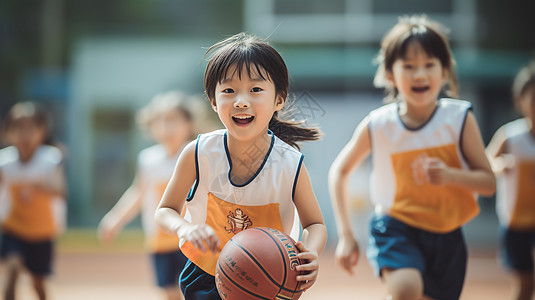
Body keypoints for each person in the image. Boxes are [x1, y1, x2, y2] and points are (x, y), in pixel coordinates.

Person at [328, 15, 496, 300]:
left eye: (429, 65)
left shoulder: (459, 119)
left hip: (447, 233)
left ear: (444, 72)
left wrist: (450, 175)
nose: (420, 75)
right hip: (395, 225)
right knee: (406, 289)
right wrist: (346, 235)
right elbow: (340, 172)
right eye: (409, 66)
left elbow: (488, 183)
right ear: (391, 74)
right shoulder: (378, 124)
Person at [154, 32, 327, 299]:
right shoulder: (198, 153)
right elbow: (165, 210)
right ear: (213, 100)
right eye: (228, 91)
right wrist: (185, 228)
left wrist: (311, 251)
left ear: (279, 99)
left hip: (271, 276)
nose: (241, 100)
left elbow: (315, 223)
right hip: (206, 274)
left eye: (256, 89)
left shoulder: (290, 164)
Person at [98, 91, 200, 300]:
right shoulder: (148, 160)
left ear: (188, 123)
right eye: (159, 121)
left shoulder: (195, 155)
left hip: (190, 239)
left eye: (173, 120)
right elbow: (137, 193)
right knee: (169, 292)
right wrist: (114, 219)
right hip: (159, 239)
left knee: (191, 291)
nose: (166, 127)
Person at [0, 101, 66, 300]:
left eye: (31, 128)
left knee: (37, 282)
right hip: (14, 227)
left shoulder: (50, 159)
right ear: (8, 132)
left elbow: (60, 191)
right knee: (12, 268)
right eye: (18, 128)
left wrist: (39, 187)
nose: (24, 134)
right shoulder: (5, 162)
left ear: (42, 131)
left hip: (41, 230)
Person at [486, 61, 535, 300]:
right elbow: (485, 163)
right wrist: (499, 166)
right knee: (525, 283)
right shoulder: (510, 136)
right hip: (516, 222)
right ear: (521, 101)